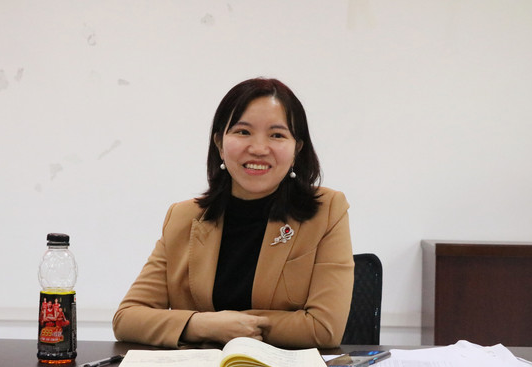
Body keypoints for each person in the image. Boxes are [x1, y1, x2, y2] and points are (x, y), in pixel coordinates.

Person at [113, 78, 354, 349]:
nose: (259, 148)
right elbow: (127, 318)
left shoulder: (326, 210)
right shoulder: (184, 217)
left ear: (297, 148)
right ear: (219, 143)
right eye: (243, 132)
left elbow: (324, 329)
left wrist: (232, 326)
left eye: (277, 135)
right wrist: (205, 325)